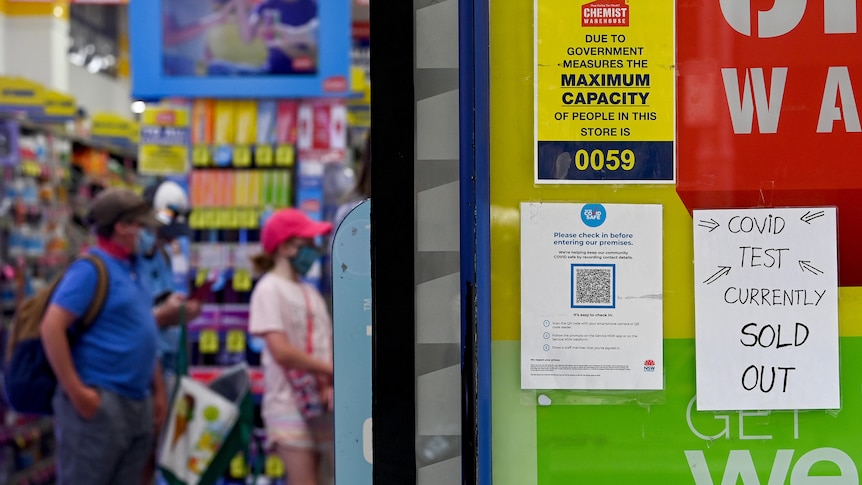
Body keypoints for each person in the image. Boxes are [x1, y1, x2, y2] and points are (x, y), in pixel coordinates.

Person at [40, 188, 187, 484]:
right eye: (140, 225)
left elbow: (144, 332)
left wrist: (157, 391)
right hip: (101, 403)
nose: (145, 233)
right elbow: (51, 327)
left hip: (137, 403)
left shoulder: (131, 269)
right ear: (122, 227)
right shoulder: (91, 270)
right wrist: (79, 394)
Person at [248, 208, 335, 485]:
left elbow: (325, 342)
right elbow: (281, 351)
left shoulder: (311, 293)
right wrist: (331, 371)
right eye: (307, 244)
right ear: (285, 247)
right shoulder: (268, 289)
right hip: (288, 405)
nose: (314, 251)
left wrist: (329, 384)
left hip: (320, 403)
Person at [138, 180, 203, 485]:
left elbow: (157, 298)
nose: (164, 239)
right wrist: (162, 317)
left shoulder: (162, 254)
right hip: (143, 373)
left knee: (162, 456)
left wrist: (178, 309)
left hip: (166, 364)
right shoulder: (132, 257)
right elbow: (131, 318)